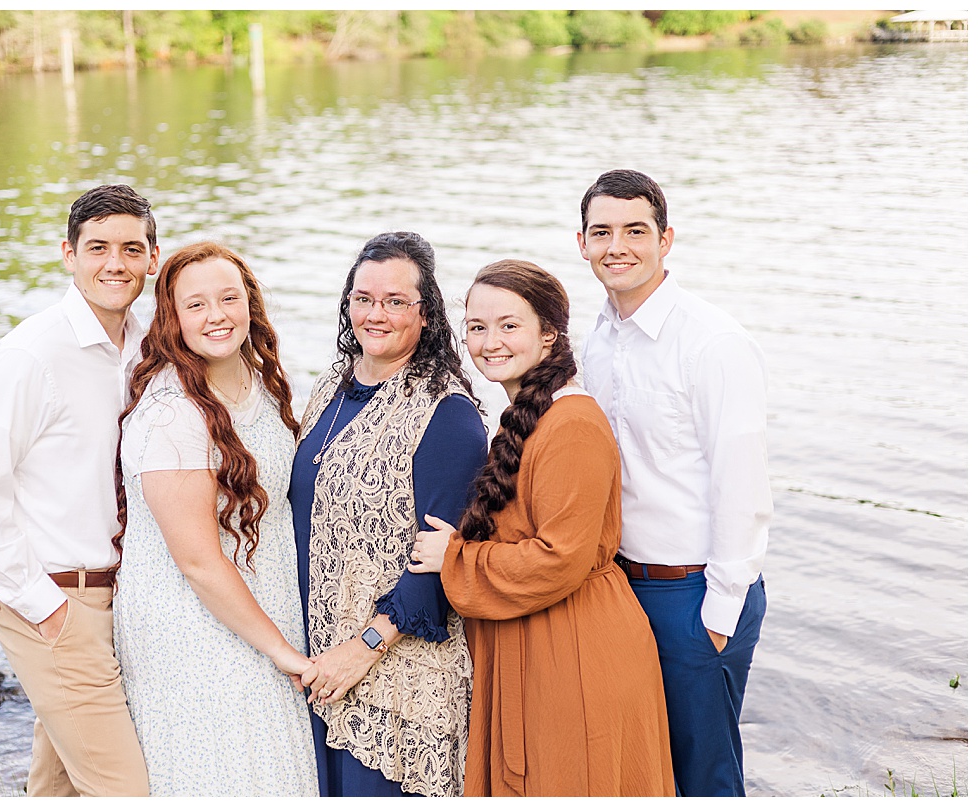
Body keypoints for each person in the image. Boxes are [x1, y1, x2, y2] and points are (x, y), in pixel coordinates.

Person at [410, 259, 675, 797]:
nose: (490, 342)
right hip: (538, 643)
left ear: (549, 334)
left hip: (575, 654)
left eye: (509, 326)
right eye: (477, 327)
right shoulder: (527, 416)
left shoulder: (572, 425)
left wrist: (455, 558)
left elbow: (561, 558)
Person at [0, 184, 157, 796]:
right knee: (127, 791)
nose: (114, 263)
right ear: (68, 254)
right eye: (97, 248)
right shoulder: (27, 356)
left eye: (130, 248)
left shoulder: (148, 349)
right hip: (55, 598)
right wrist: (47, 609)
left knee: (58, 785)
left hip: (123, 599)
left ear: (152, 256)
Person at [576, 169, 771, 796]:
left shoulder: (712, 342)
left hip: (694, 593)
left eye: (636, 230)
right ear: (581, 243)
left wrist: (717, 614)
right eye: (602, 232)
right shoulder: (598, 339)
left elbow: (741, 484)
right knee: (643, 769)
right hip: (621, 587)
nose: (618, 246)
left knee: (704, 776)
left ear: (666, 239)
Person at [112, 242, 318, 796]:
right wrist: (282, 652)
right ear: (171, 318)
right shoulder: (170, 412)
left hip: (262, 601)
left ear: (250, 302)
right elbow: (198, 560)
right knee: (232, 771)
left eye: (229, 298)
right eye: (196, 305)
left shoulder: (260, 378)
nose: (217, 315)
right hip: (195, 623)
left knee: (279, 765)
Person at [289, 231, 488, 797]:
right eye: (363, 298)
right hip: (318, 664)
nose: (375, 315)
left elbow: (437, 563)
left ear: (426, 315)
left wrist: (363, 649)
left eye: (395, 301)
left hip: (397, 677)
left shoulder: (448, 414)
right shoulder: (332, 385)